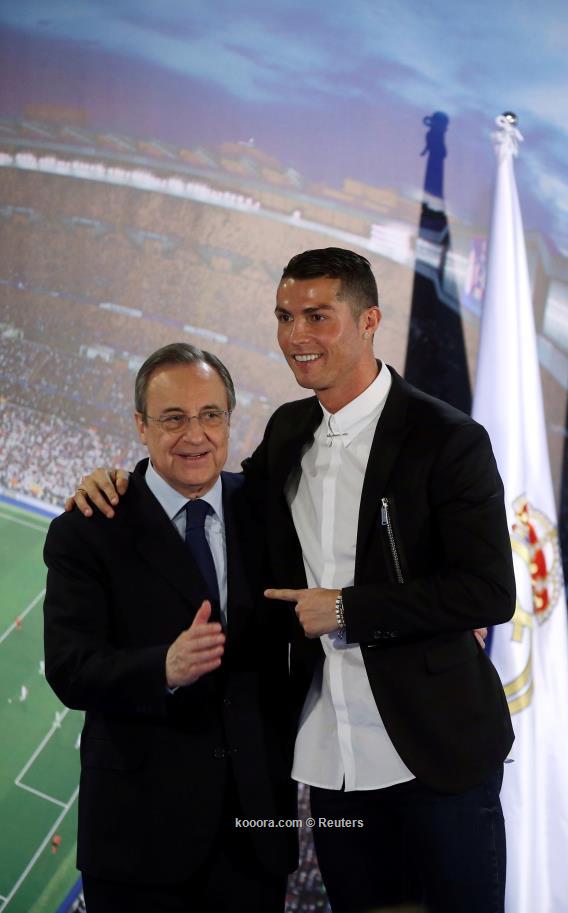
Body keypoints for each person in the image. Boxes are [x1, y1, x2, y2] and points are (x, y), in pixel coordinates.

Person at [69, 249, 515, 913]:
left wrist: (348, 609)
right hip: (333, 763)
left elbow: (490, 590)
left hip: (438, 756)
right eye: (284, 317)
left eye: (317, 316)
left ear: (369, 321)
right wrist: (125, 483)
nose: (295, 335)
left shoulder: (448, 439)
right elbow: (215, 489)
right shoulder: (288, 429)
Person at [44, 343, 295, 913]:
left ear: (229, 420)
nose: (195, 435)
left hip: (255, 835)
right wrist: (163, 668)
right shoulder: (90, 527)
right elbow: (69, 669)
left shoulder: (268, 508)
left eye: (211, 415)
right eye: (173, 418)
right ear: (141, 425)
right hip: (139, 841)